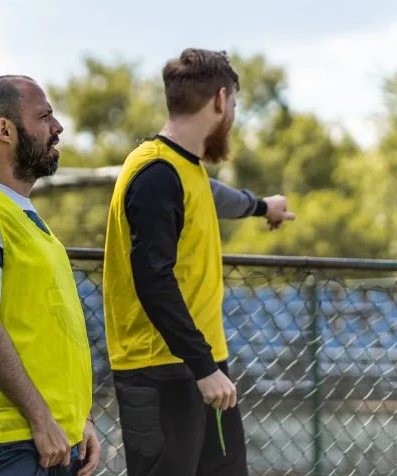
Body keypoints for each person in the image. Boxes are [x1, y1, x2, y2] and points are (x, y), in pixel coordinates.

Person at [102, 48, 295, 476]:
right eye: (235, 106)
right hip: (161, 371)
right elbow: (153, 280)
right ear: (221, 100)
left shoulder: (184, 169)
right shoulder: (155, 173)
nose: (233, 116)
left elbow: (217, 196)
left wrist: (265, 207)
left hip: (199, 365)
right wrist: (203, 368)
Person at [0, 75, 100, 476]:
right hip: (8, 445)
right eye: (44, 116)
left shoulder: (26, 220)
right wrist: (41, 416)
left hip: (52, 439)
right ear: (4, 130)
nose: (57, 127)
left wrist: (80, 419)